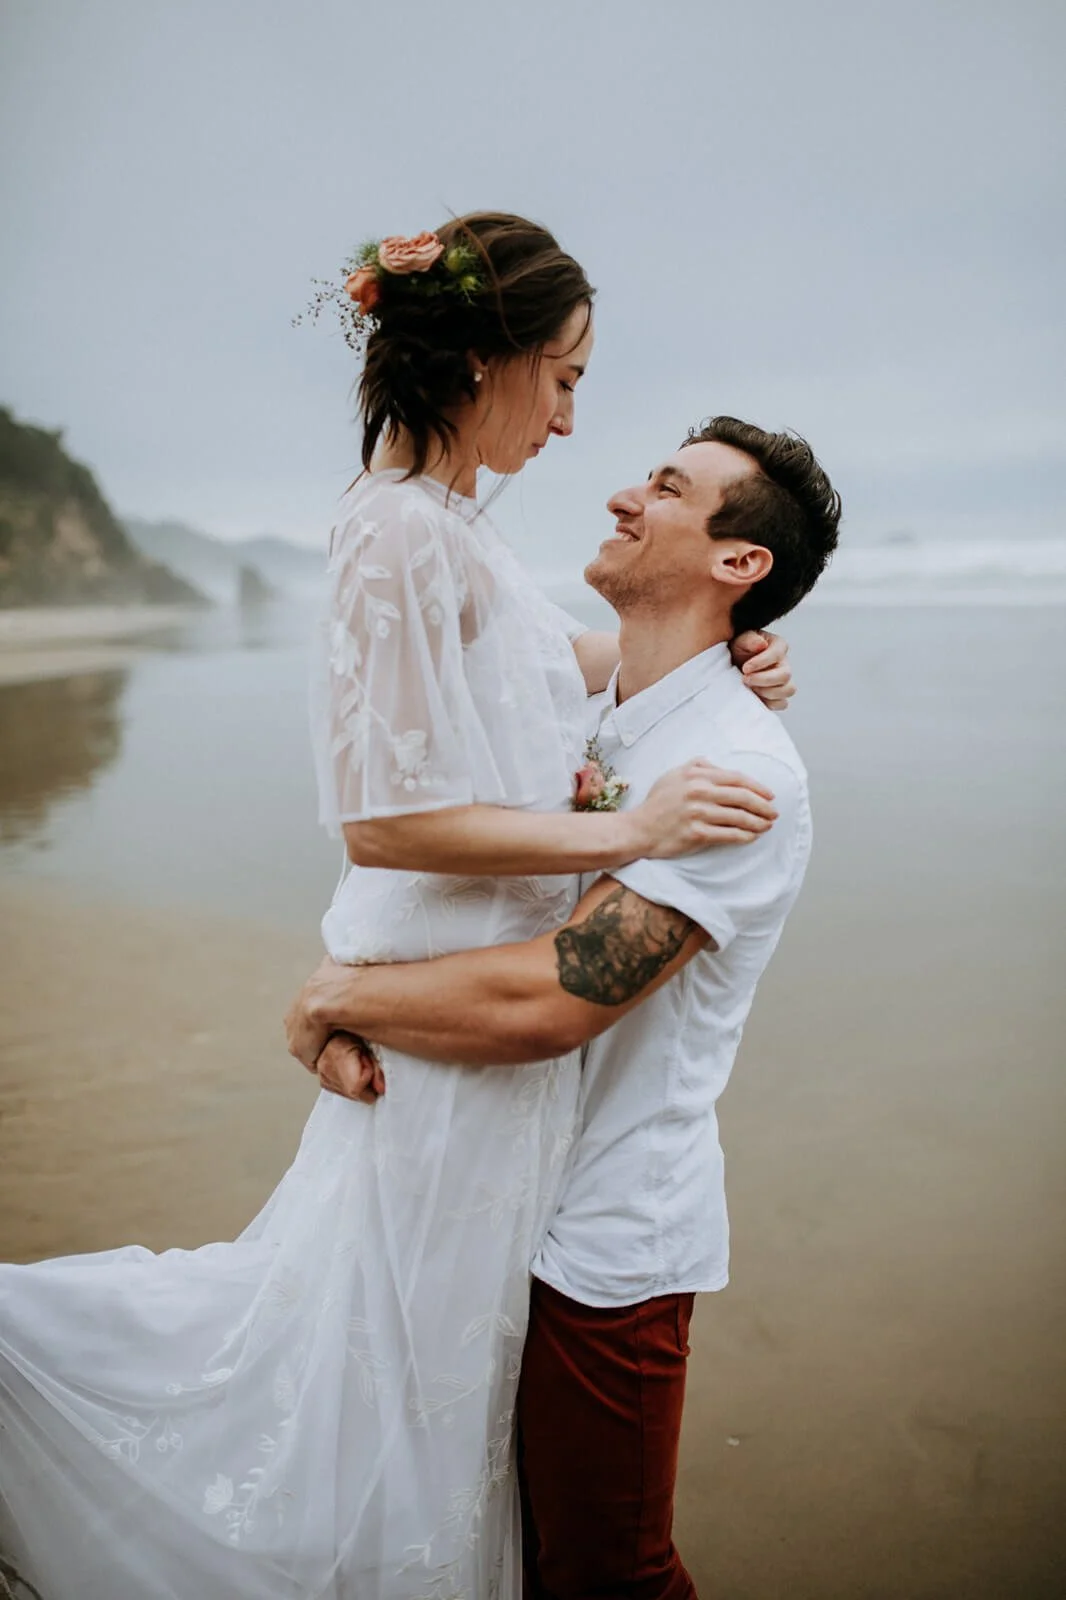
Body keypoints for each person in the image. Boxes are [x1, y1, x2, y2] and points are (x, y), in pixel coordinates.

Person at [0, 215, 791, 1600]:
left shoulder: (451, 535)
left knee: (388, 1393)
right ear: (483, 356)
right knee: (321, 1368)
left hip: (477, 1068)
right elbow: (380, 819)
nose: (568, 417)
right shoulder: (395, 533)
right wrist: (640, 819)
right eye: (562, 374)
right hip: (447, 1053)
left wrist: (723, 664)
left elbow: (557, 668)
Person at [286, 415, 842, 1599]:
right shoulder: (601, 718)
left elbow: (555, 995)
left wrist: (342, 995)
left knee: (606, 1572)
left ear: (738, 561)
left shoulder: (737, 772)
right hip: (489, 1205)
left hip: (606, 1242)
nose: (621, 497)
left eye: (666, 487)